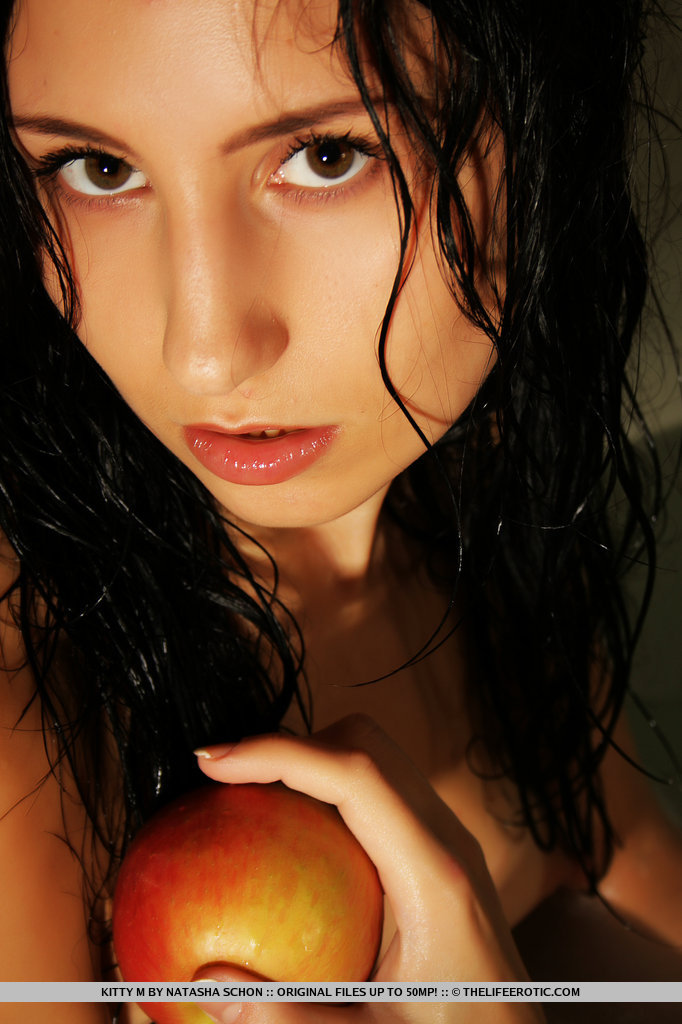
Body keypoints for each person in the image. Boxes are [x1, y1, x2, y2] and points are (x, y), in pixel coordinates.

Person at [0, 0, 680, 1022]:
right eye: (97, 169)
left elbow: (638, 880)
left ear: (549, 133)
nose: (203, 354)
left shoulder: (478, 493)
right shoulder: (29, 723)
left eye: (326, 157)